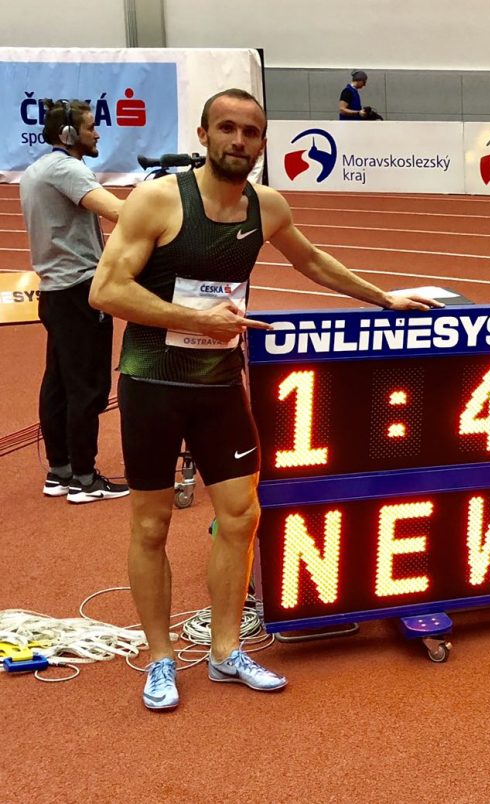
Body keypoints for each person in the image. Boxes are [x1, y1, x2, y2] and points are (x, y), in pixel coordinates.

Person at [89, 88, 443, 711]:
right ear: (203, 135)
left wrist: (383, 298)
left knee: (241, 517)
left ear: (262, 143)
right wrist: (195, 318)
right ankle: (161, 658)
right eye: (226, 128)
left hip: (220, 385)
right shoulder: (159, 200)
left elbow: (313, 261)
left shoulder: (267, 206)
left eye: (250, 132)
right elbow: (107, 290)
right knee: (150, 525)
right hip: (153, 384)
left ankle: (225, 651)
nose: (238, 141)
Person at [19, 99, 128, 504]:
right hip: (80, 290)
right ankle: (85, 479)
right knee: (88, 387)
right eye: (90, 127)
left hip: (55, 291)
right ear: (68, 135)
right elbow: (118, 211)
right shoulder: (68, 169)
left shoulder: (35, 170)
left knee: (60, 384)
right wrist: (164, 204)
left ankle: (60, 470)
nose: (97, 133)